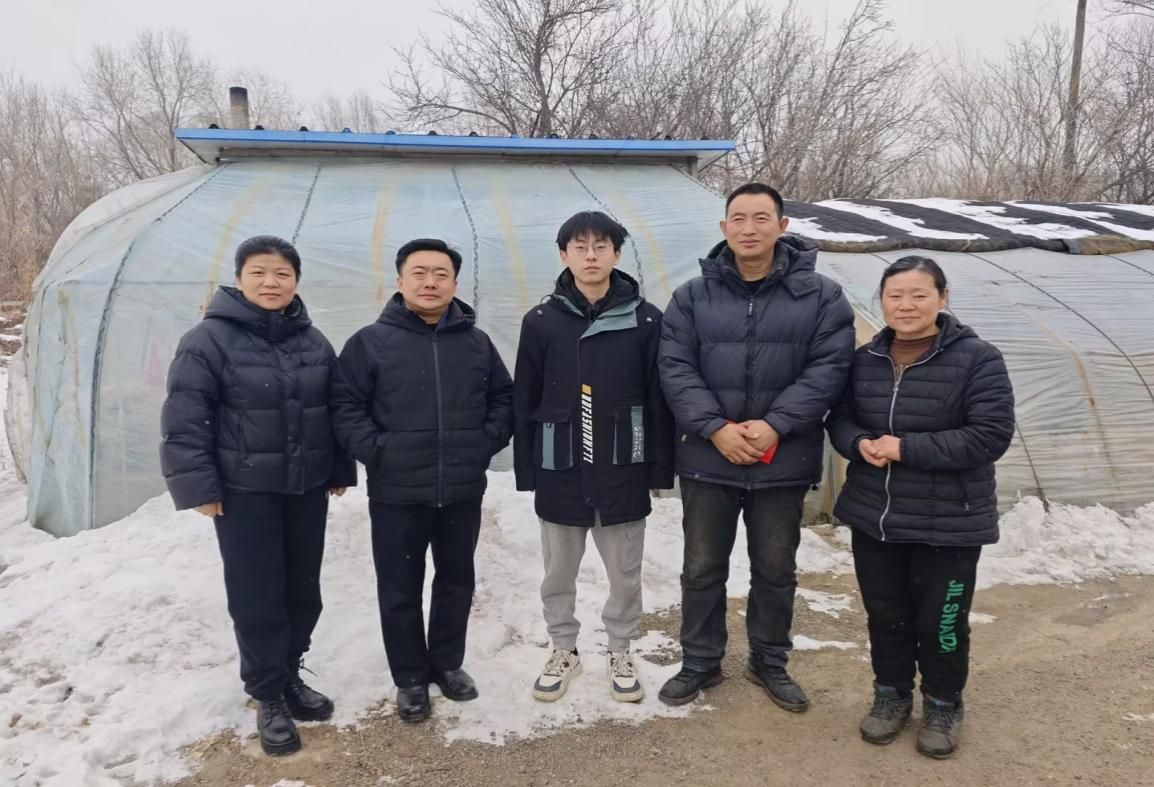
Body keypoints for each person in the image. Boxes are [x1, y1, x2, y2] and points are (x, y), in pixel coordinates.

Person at [657, 183, 855, 710]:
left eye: (761, 217)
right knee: (702, 567)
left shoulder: (822, 296)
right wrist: (715, 428)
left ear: (782, 226)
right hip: (708, 456)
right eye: (738, 218)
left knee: (775, 568)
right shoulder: (692, 296)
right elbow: (675, 367)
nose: (749, 228)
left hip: (782, 457)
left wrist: (775, 425)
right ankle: (700, 660)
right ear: (724, 228)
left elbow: (829, 368)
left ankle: (769, 661)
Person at [160, 235, 356, 756]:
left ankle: (289, 672)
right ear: (239, 279)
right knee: (257, 593)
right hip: (245, 492)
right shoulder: (208, 340)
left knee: (303, 590)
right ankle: (267, 694)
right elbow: (185, 417)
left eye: (282, 274)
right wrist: (200, 487)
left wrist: (338, 468)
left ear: (296, 281)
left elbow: (333, 409)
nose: (271, 282)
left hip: (305, 488)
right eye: (259, 273)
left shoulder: (312, 340)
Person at [826, 256, 1015, 759]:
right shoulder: (864, 360)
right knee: (885, 615)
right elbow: (839, 418)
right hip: (876, 515)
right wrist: (858, 442)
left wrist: (905, 448)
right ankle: (891, 695)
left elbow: (990, 436)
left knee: (942, 621)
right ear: (882, 301)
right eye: (895, 295)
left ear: (942, 298)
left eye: (918, 295)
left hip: (950, 521)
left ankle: (943, 703)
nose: (905, 305)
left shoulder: (978, 359)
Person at [330, 238, 513, 724]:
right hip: (396, 491)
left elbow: (503, 398)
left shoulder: (475, 343)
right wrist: (378, 451)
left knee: (456, 580)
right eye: (419, 273)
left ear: (454, 283)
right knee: (400, 587)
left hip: (461, 488)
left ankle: (447, 664)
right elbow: (345, 406)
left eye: (440, 274)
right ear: (400, 281)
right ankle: (410, 677)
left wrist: (483, 443)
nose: (430, 282)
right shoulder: (370, 342)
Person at [513, 211, 674, 704]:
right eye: (579, 247)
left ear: (616, 254)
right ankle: (563, 647)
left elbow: (659, 397)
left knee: (624, 572)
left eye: (601, 246)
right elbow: (525, 397)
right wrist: (527, 471)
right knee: (557, 572)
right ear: (563, 255)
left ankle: (620, 649)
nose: (590, 256)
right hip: (560, 465)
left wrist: (658, 469)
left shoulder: (646, 319)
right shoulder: (541, 321)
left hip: (623, 464)